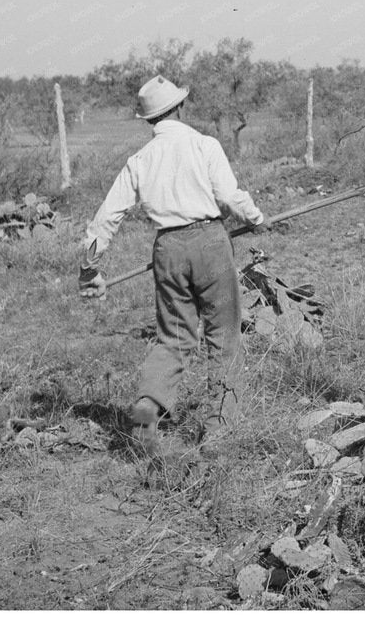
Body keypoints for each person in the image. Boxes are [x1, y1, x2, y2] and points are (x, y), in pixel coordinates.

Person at [78, 75, 267, 456]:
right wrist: (257, 218)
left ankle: (150, 401)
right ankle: (219, 431)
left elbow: (105, 219)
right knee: (223, 336)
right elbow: (229, 196)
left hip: (167, 249)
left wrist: (90, 270)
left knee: (175, 337)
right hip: (211, 243)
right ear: (180, 108)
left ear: (150, 120)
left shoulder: (139, 161)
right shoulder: (204, 145)